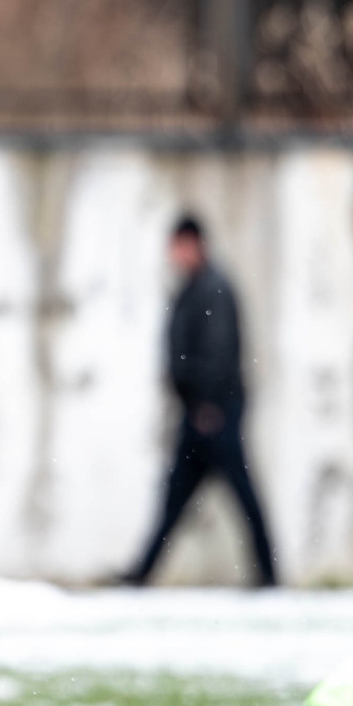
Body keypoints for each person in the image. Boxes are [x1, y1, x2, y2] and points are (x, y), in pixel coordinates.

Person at [122, 216, 279, 587]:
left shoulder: (213, 289)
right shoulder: (196, 288)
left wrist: (207, 405)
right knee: (177, 499)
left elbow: (218, 352)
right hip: (201, 410)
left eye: (179, 246)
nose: (174, 255)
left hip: (213, 412)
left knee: (240, 495)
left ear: (194, 245)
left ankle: (269, 575)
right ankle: (142, 573)